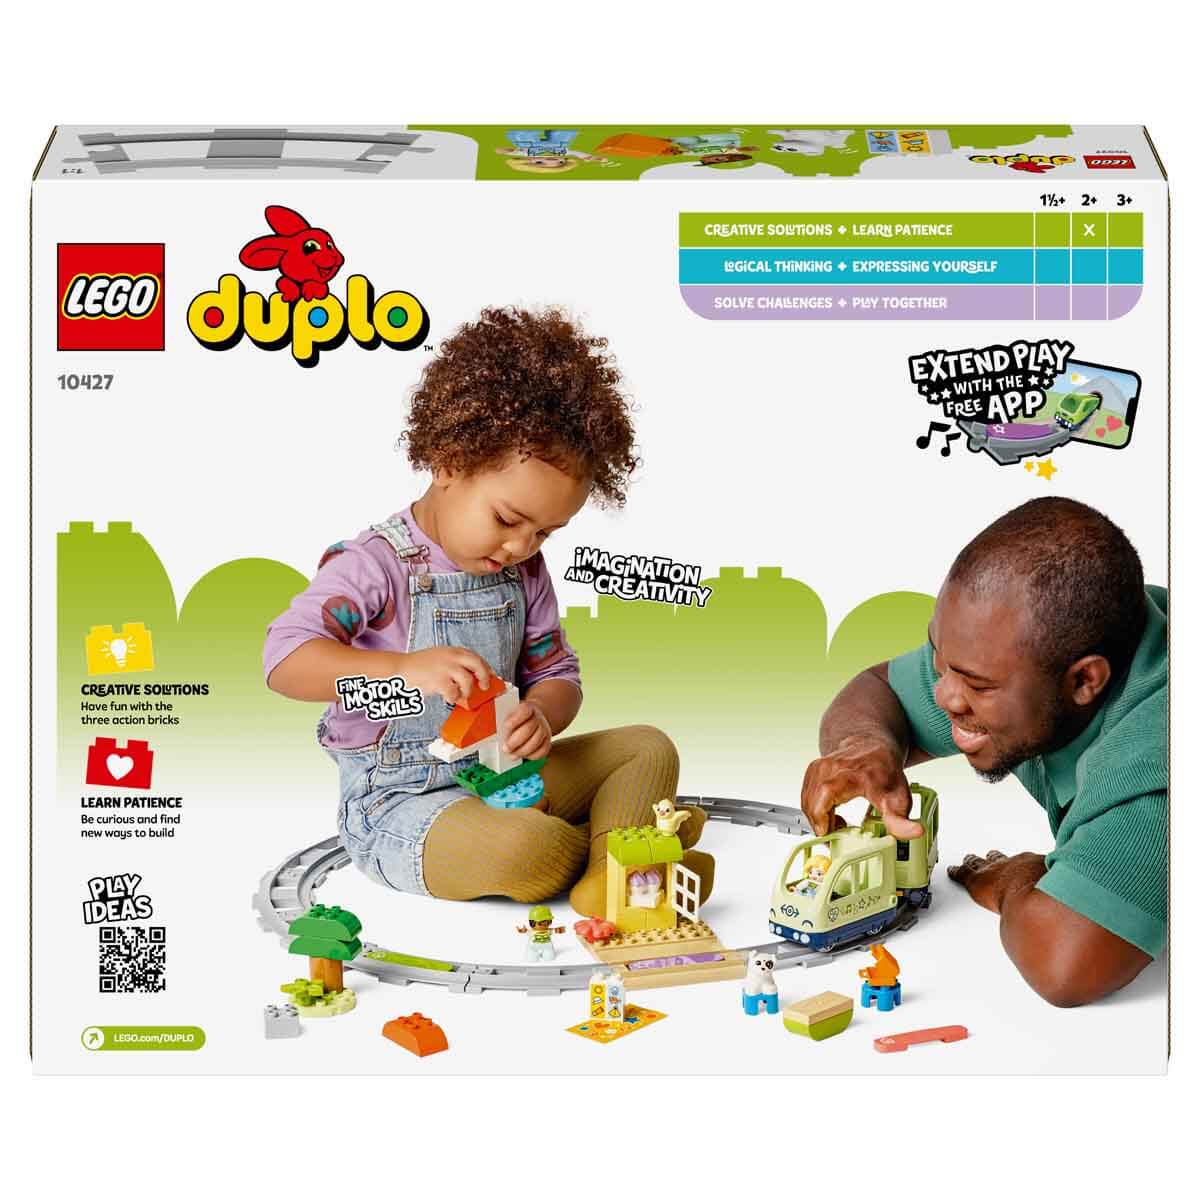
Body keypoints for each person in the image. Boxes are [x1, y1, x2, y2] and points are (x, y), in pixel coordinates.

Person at [264, 306, 713, 916]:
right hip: (404, 803)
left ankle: (613, 872)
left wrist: (543, 715)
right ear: (449, 461)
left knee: (647, 748)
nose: (522, 546)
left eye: (544, 533)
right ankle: (630, 850)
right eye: (507, 519)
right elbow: (285, 660)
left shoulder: (522, 571)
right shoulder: (374, 566)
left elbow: (558, 675)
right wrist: (403, 669)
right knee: (530, 851)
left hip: (508, 777)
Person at [801, 498, 1165, 1007]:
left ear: (1085, 679)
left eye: (977, 685)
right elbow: (879, 691)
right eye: (940, 659)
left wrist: (1016, 879)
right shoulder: (1047, 644)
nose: (944, 695)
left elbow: (1065, 967)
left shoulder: (1159, 760)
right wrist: (865, 745)